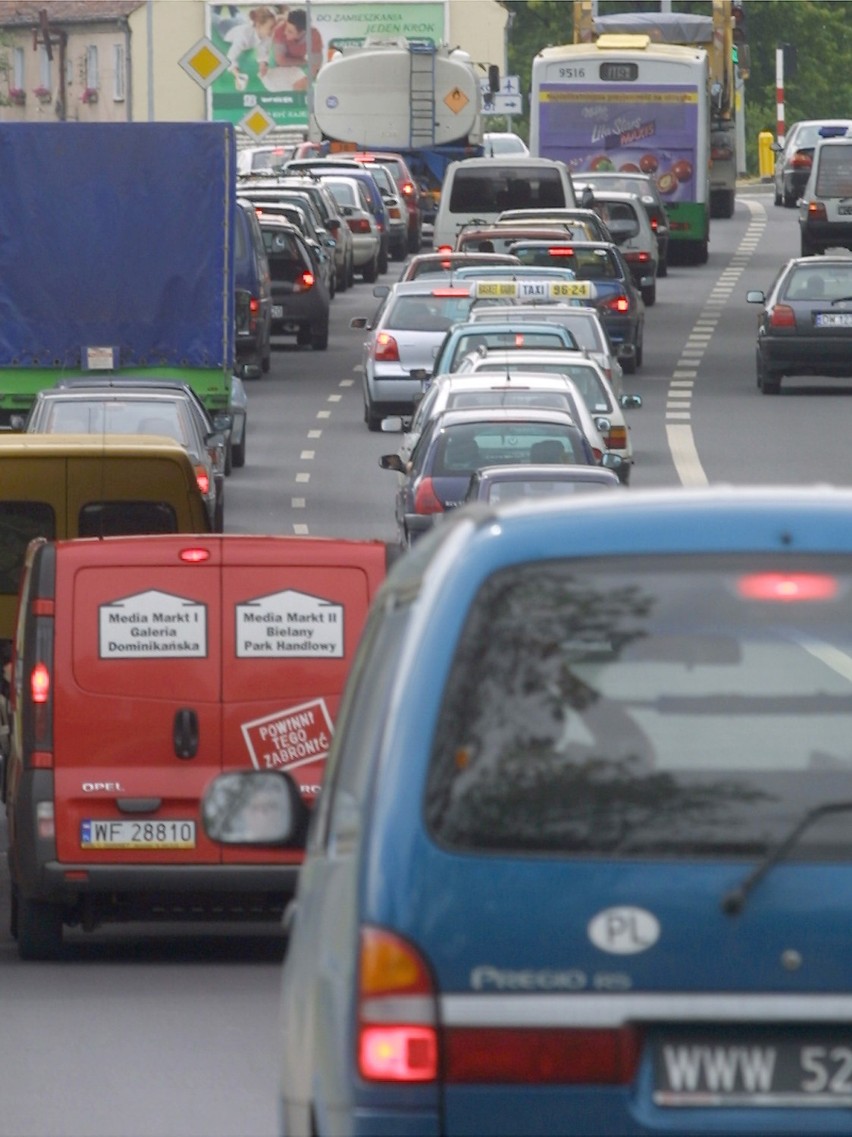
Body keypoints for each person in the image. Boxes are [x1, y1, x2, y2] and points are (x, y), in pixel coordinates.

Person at [220, 6, 278, 90]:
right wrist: (237, 75)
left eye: (274, 27)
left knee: (239, 17)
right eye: (271, 27)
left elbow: (264, 49)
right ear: (258, 25)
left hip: (241, 24)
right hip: (227, 28)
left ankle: (233, 8)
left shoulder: (267, 33)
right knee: (220, 17)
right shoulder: (244, 37)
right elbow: (229, 58)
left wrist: (263, 64)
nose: (273, 31)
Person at [269, 7, 323, 90]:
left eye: (290, 31)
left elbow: (316, 64)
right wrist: (304, 62)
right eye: (286, 28)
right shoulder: (280, 30)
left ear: (303, 33)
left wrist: (306, 80)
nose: (285, 32)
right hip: (276, 62)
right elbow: (280, 60)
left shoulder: (314, 36)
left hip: (299, 62)